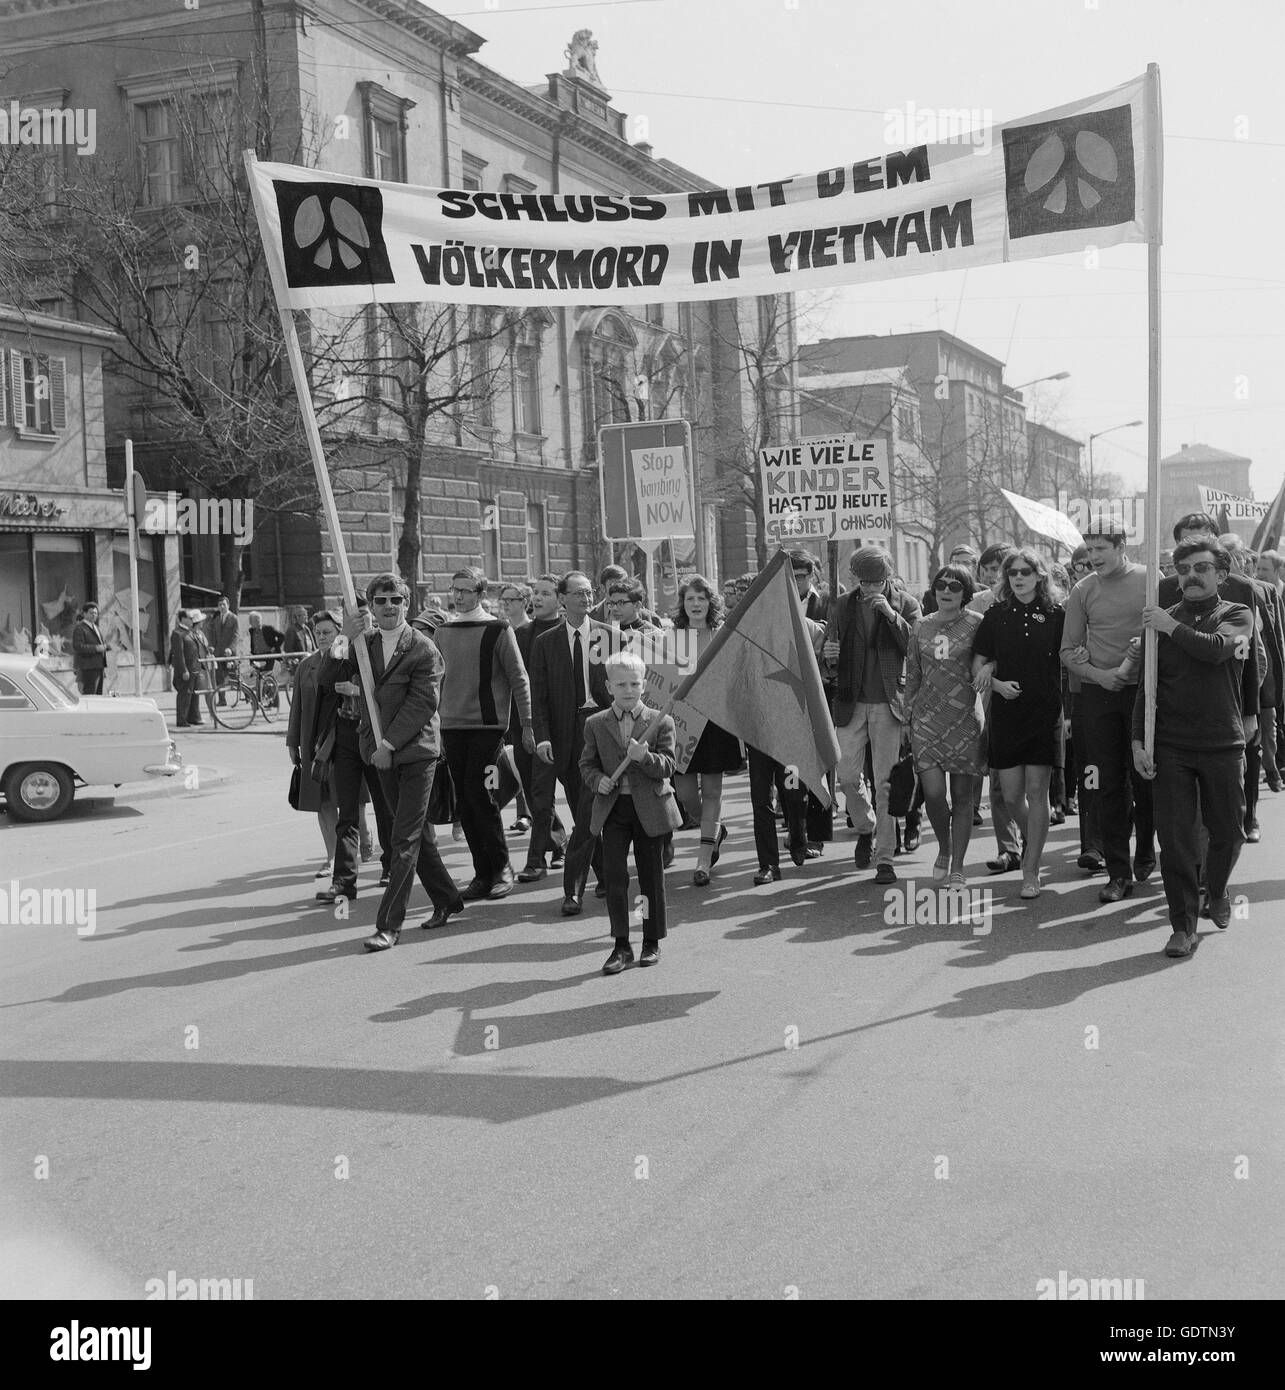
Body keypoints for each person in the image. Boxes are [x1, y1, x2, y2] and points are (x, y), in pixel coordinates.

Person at [319, 573, 461, 949]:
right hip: (379, 753)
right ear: (370, 606)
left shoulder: (423, 649)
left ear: (406, 603)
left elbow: (422, 705)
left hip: (415, 753)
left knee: (403, 838)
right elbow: (326, 677)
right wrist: (343, 637)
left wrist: (388, 744)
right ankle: (448, 898)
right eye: (380, 601)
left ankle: (388, 925)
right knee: (415, 836)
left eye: (395, 600)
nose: (388, 607)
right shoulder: (362, 645)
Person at [1132, 538, 1254, 958]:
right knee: (1177, 840)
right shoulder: (1160, 621)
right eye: (1182, 568)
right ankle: (1182, 926)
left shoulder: (1237, 614)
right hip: (1172, 746)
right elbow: (1145, 688)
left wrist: (1170, 628)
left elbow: (1218, 652)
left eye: (1201, 567)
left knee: (1228, 832)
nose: (1190, 575)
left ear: (1221, 575)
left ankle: (1216, 890)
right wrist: (1137, 740)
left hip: (1223, 741)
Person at [1059, 526, 1152, 903]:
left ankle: (1145, 849)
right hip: (1100, 696)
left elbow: (1164, 630)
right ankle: (1118, 872)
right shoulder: (1082, 591)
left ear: (1121, 547)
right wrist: (1102, 676)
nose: (1094, 556)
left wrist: (1139, 652)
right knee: (1108, 784)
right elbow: (1067, 651)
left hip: (1144, 691)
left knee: (1146, 778)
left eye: (1101, 548)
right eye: (1089, 549)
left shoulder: (1150, 579)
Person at [433, 566, 534, 901]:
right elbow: (436, 681)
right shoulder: (443, 631)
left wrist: (528, 724)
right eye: (455, 589)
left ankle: (502, 868)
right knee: (464, 801)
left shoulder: (498, 629)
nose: (458, 595)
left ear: (480, 593)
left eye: (466, 590)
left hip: (488, 728)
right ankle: (481, 873)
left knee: (483, 797)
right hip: (451, 726)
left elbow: (519, 678)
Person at [971, 548, 1066, 899]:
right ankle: (1035, 842)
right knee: (1011, 796)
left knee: (1037, 792)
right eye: (1013, 573)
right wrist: (993, 680)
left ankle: (1031, 869)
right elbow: (978, 662)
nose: (1019, 577)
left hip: (1044, 711)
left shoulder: (1057, 613)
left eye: (1026, 571)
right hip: (1008, 713)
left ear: (1040, 575)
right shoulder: (996, 614)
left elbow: (1068, 657)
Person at [822, 546, 920, 884]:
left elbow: (916, 647)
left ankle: (886, 858)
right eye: (865, 582)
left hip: (889, 703)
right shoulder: (843, 605)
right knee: (847, 777)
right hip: (852, 701)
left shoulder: (906, 603)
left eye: (878, 581)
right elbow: (830, 660)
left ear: (889, 576)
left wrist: (892, 615)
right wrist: (829, 654)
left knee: (885, 783)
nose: (871, 588)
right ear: (854, 579)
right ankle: (866, 827)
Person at [581, 651, 682, 974]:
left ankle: (651, 940)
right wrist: (598, 782)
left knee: (651, 878)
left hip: (649, 808)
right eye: (621, 684)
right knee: (615, 878)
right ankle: (621, 945)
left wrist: (644, 758)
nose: (628, 690)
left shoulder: (660, 720)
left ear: (644, 685)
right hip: (614, 810)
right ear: (609, 687)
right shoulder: (595, 724)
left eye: (635, 683)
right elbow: (587, 764)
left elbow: (669, 765)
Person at [530, 571, 613, 915]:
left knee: (587, 811)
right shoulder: (546, 642)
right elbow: (540, 697)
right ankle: (607, 875)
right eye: (577, 593)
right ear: (562, 599)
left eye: (589, 592)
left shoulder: (610, 637)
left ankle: (573, 889)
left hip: (601, 733)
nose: (585, 597)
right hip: (565, 736)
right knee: (587, 808)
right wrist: (543, 737)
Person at [905, 564, 985, 885]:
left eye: (955, 586)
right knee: (934, 794)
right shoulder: (920, 626)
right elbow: (912, 675)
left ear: (965, 593)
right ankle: (943, 847)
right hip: (925, 722)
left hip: (964, 720)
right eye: (942, 584)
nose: (947, 590)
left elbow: (991, 657)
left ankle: (958, 867)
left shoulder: (978, 625)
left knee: (963, 797)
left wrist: (988, 668)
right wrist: (905, 717)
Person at [320, 600, 393, 899]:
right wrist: (343, 637)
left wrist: (359, 691)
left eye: (364, 612)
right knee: (347, 810)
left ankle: (390, 866)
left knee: (385, 804)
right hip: (348, 734)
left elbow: (391, 688)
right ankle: (344, 881)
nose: (360, 619)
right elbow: (325, 677)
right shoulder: (343, 644)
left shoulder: (382, 643)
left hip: (376, 732)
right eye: (353, 615)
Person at [673, 574, 742, 885]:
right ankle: (713, 830)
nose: (696, 603)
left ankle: (703, 861)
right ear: (683, 604)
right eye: (690, 599)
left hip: (715, 723)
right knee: (686, 793)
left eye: (701, 598)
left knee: (713, 791)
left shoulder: (723, 635)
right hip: (682, 724)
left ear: (710, 603)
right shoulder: (672, 637)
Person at [510, 575, 568, 881]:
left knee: (556, 792)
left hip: (563, 725)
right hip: (528, 724)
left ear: (560, 599)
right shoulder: (521, 634)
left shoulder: (567, 633)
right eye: (536, 594)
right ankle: (550, 849)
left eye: (546, 593)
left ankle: (541, 857)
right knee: (536, 793)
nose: (538, 598)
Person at [287, 610, 341, 890]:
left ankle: (360, 850)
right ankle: (333, 857)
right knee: (322, 802)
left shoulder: (350, 661)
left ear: (339, 633)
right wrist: (292, 742)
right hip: (312, 742)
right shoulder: (306, 665)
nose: (321, 637)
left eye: (327, 632)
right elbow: (296, 706)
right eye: (318, 632)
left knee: (350, 801)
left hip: (342, 740)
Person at [920, 545, 979, 615]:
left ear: (975, 567)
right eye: (956, 563)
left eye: (966, 563)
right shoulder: (931, 596)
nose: (960, 566)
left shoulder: (984, 593)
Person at [168, 609, 203, 727]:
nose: (191, 620)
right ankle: (182, 719)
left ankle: (194, 717)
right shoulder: (177, 633)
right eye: (189, 618)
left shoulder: (189, 632)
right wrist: (183, 670)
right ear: (183, 619)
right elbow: (178, 654)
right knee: (185, 694)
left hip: (194, 668)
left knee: (194, 695)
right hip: (186, 670)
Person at [205, 596, 239, 708]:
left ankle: (247, 694)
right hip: (219, 652)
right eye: (220, 605)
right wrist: (212, 646)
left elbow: (236, 635)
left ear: (228, 605)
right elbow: (213, 635)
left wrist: (231, 648)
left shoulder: (234, 618)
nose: (222, 607)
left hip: (230, 652)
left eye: (224, 604)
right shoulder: (216, 619)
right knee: (219, 676)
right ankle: (222, 699)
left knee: (234, 675)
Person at [71, 602, 107, 695]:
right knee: (90, 695)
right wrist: (96, 648)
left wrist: (106, 646)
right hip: (88, 667)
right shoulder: (80, 628)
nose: (94, 615)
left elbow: (99, 643)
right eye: (91, 613)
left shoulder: (96, 627)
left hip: (99, 666)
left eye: (96, 613)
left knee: (98, 695)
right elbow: (78, 646)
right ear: (84, 614)